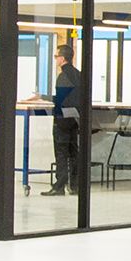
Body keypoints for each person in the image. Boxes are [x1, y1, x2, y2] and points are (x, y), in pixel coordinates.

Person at [47, 42, 82, 195]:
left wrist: (42, 98)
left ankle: (59, 186)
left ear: (62, 58)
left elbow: (60, 100)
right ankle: (74, 186)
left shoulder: (63, 76)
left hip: (62, 120)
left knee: (61, 153)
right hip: (74, 119)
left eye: (56, 57)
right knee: (73, 153)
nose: (56, 60)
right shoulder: (78, 74)